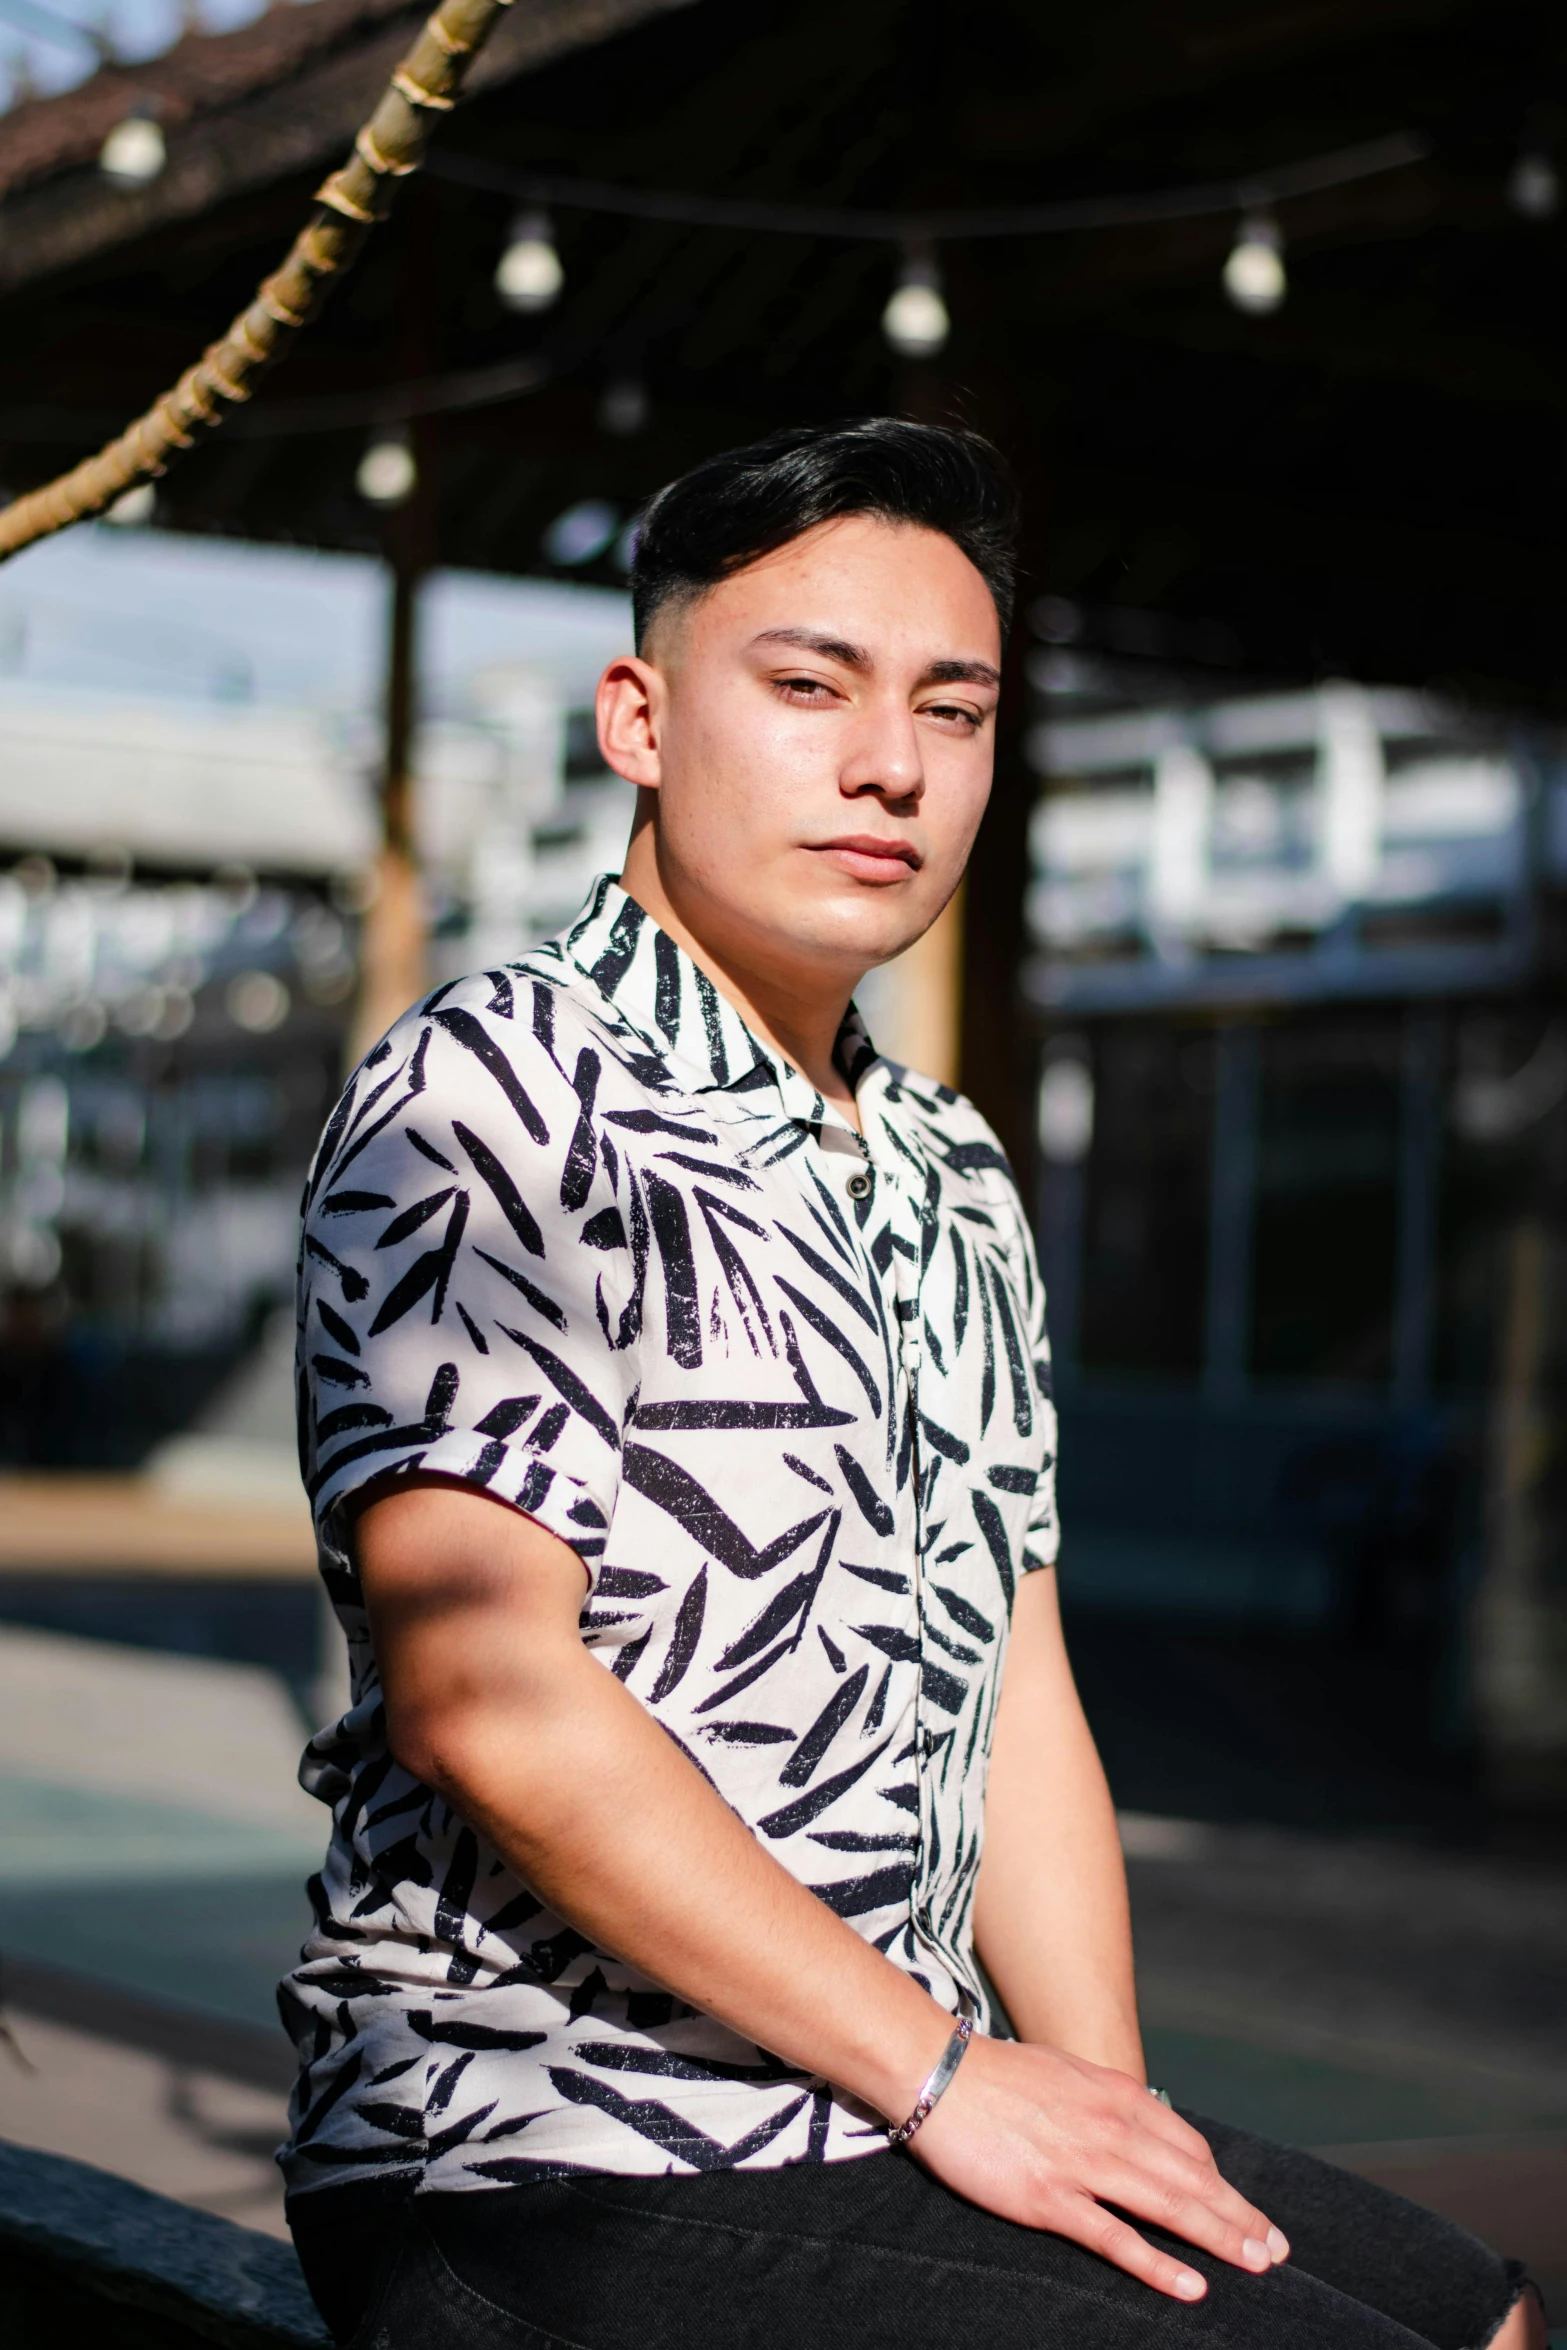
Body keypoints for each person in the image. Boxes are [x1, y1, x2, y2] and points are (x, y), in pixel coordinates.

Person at [279, 419, 1541, 2350]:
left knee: (1477, 2313)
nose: (891, 763)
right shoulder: (500, 1092)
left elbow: (1014, 1682)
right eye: (806, 687)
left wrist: (1109, 2127)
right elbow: (487, 1697)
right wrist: (960, 2084)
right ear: (639, 715)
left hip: (882, 2113)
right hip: (542, 2154)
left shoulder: (948, 1171)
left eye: (953, 712)